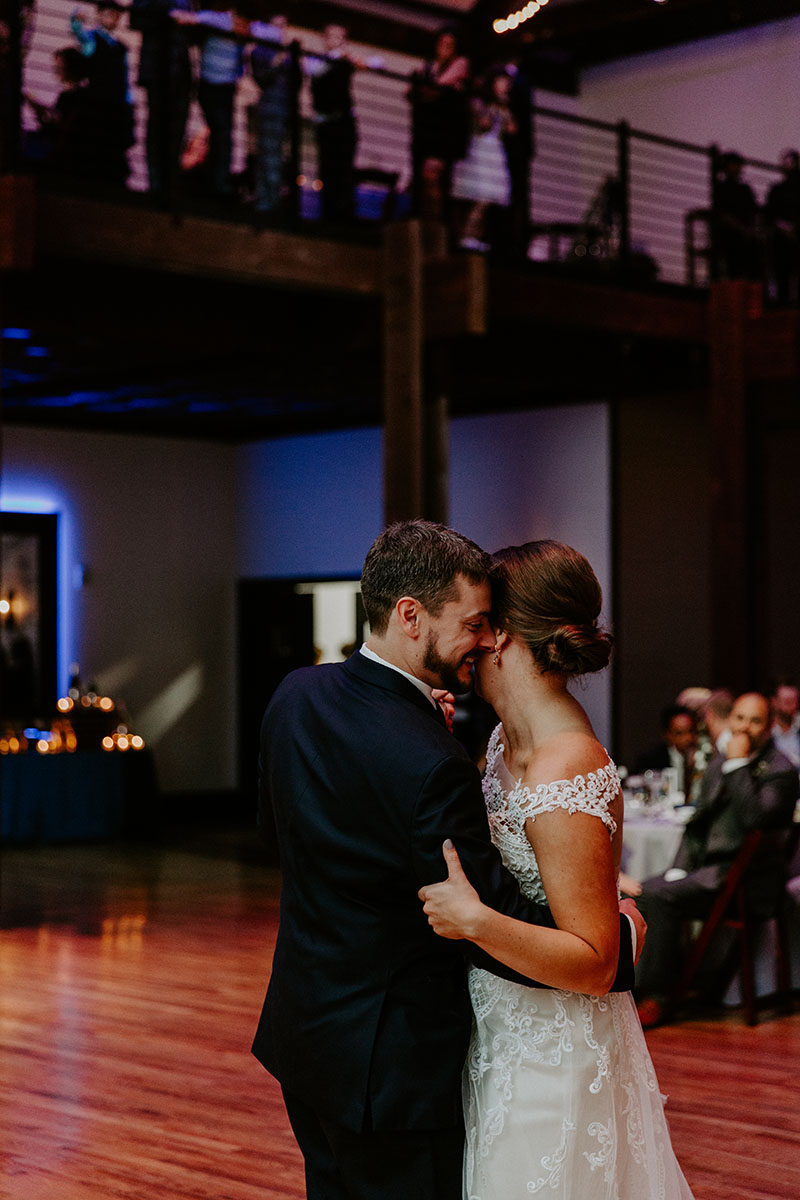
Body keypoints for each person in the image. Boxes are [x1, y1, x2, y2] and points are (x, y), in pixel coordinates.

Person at [251, 520, 639, 1200]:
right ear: (410, 615)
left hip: (305, 1037)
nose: (482, 641)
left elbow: (274, 835)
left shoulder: (295, 696)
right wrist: (625, 942)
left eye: (491, 625)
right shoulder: (433, 760)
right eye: (473, 623)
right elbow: (477, 913)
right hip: (394, 1067)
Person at [419, 539, 693, 1199]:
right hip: (502, 1027)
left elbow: (597, 962)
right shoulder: (501, 739)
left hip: (555, 1051)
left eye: (478, 623)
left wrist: (476, 922)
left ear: (505, 635)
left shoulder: (564, 763)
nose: (467, 640)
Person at [634, 691, 799, 1028]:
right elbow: (698, 822)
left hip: (749, 880)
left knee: (656, 896)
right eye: (739, 718)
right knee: (642, 891)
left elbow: (755, 817)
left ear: (768, 727)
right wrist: (679, 867)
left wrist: (737, 766)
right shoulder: (717, 763)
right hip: (712, 871)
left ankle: (657, 997)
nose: (744, 728)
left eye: (754, 721)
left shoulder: (780, 770)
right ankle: (650, 986)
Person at [129, 0, 193, 198]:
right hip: (157, 68)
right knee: (157, 126)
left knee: (177, 128)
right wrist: (166, 18)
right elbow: (135, 19)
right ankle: (156, 182)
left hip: (181, 71)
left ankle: (170, 182)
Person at [408, 26, 470, 224]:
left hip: (443, 139)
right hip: (424, 136)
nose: (444, 48)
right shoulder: (427, 67)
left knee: (439, 187)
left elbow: (442, 86)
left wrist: (429, 90)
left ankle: (438, 229)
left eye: (449, 45)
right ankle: (419, 223)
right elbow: (411, 92)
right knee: (421, 184)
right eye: (442, 44)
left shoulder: (459, 65)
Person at [70, 0, 135, 185]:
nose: (114, 18)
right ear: (100, 15)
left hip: (116, 107)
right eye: (110, 13)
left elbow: (125, 77)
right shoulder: (92, 39)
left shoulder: (120, 47)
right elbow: (81, 36)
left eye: (117, 15)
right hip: (98, 103)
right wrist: (75, 20)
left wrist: (128, 101)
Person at [451, 70, 516, 253]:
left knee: (488, 199)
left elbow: (512, 129)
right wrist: (494, 109)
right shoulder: (481, 102)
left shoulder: (503, 104)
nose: (505, 86)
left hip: (496, 151)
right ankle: (467, 236)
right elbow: (482, 124)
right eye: (502, 81)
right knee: (480, 197)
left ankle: (473, 236)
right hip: (482, 150)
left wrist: (505, 109)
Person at [306, 24, 357, 223]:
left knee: (343, 170)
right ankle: (328, 214)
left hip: (343, 123)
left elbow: (373, 63)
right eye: (332, 36)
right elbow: (315, 71)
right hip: (326, 124)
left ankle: (343, 216)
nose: (336, 41)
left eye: (340, 37)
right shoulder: (317, 62)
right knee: (327, 168)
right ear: (325, 38)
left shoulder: (345, 62)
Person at [633, 701, 698, 796]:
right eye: (679, 733)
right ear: (667, 734)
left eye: (690, 731)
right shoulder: (651, 759)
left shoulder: (702, 756)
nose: (687, 738)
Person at [764, 149, 800, 305]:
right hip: (782, 239)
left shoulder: (777, 190)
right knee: (782, 273)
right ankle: (783, 305)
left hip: (791, 236)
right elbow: (770, 214)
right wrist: (784, 227)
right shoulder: (776, 190)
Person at [769, 678, 800, 767]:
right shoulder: (766, 731)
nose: (792, 706)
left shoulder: (798, 726)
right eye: (787, 702)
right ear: (774, 701)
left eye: (795, 701)